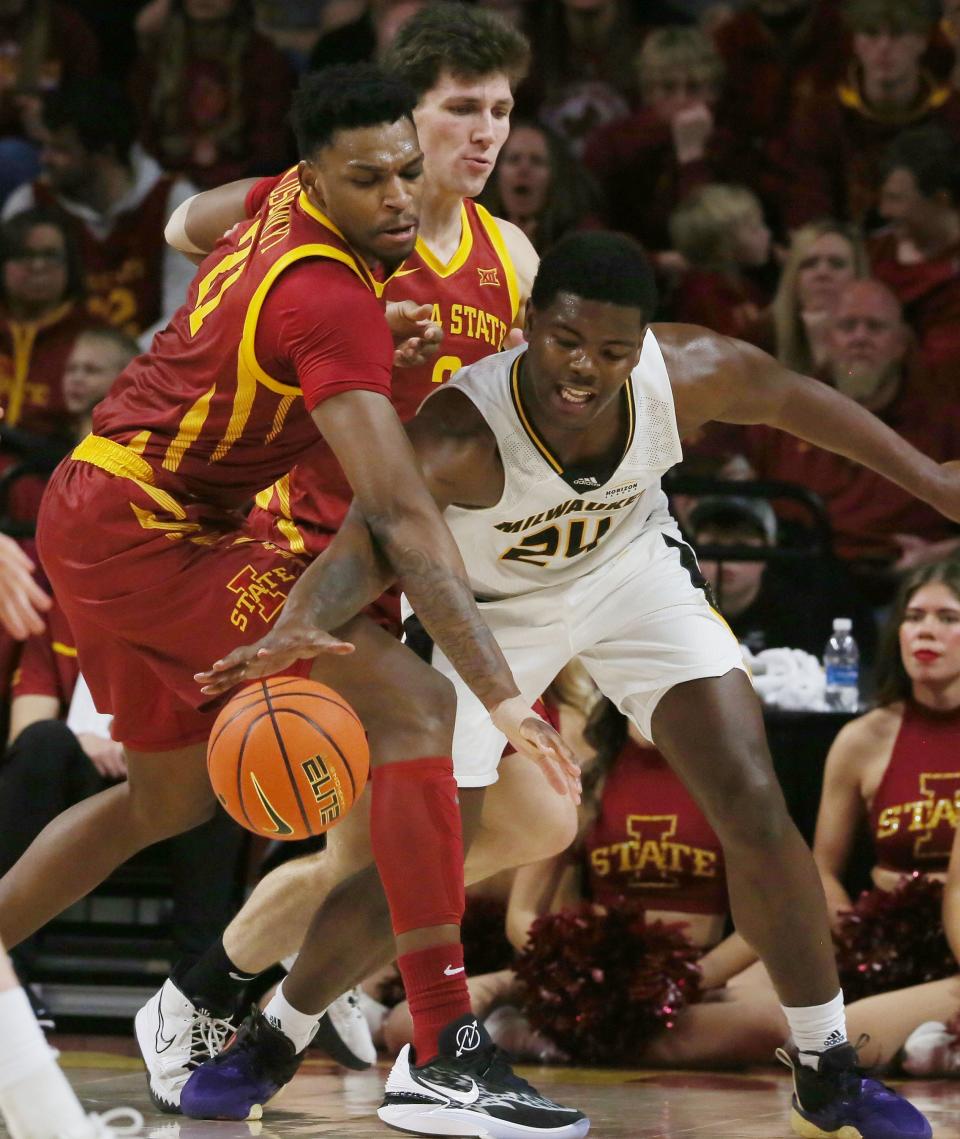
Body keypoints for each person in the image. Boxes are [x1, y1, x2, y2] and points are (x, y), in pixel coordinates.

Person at [186, 231, 953, 1138]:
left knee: (751, 794)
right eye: (567, 342)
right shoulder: (458, 432)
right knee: (436, 850)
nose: (586, 370)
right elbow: (365, 546)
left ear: (642, 347)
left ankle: (827, 1067)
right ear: (529, 324)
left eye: (613, 352)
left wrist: (934, 481)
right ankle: (279, 1031)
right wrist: (299, 622)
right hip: (484, 606)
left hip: (630, 572)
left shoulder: (690, 369)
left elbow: (796, 401)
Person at [0, 62, 581, 1137]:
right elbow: (402, 515)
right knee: (418, 704)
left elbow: (189, 224)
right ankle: (445, 1046)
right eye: (368, 181)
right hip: (148, 529)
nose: (399, 199)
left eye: (407, 171)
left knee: (166, 804)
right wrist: (500, 695)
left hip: (117, 505)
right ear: (317, 177)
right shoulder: (328, 297)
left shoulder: (281, 203)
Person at [0, 532, 142, 1139]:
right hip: (75, 769)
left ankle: (198, 996)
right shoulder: (58, 596)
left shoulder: (199, 591)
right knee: (43, 746)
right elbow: (28, 732)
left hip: (170, 772)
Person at [737, 278, 960, 574]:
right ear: (828, 340)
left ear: (901, 343)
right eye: (847, 326)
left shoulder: (944, 419)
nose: (860, 338)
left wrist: (944, 554)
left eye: (875, 327)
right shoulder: (784, 412)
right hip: (796, 578)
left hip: (903, 583)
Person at [2, 78, 197, 338]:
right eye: (45, 146)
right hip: (51, 363)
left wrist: (124, 366)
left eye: (60, 149)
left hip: (148, 368)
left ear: (105, 152)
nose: (44, 158)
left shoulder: (175, 203)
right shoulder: (29, 202)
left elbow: (186, 313)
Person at [785, 0, 960, 230]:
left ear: (922, 41)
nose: (884, 46)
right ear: (855, 42)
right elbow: (807, 201)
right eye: (870, 33)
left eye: (898, 33)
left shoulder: (951, 114)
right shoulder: (822, 116)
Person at [582, 26, 730, 265]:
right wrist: (654, 261)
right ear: (649, 91)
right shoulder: (613, 143)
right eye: (668, 88)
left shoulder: (726, 145)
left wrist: (692, 158)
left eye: (693, 88)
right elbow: (587, 221)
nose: (681, 100)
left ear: (712, 92)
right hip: (627, 269)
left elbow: (710, 236)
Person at [687, 494, 877, 664]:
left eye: (741, 546)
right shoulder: (675, 607)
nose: (727, 560)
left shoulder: (799, 613)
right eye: (713, 545)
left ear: (768, 553)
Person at [130, 0, 296, 190]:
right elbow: (141, 133)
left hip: (243, 188)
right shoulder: (156, 57)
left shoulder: (263, 58)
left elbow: (270, 143)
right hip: (164, 185)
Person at [870, 124, 960, 390]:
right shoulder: (871, 251)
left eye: (896, 199)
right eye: (884, 198)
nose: (884, 211)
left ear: (941, 200)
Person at [478, 118, 604, 253]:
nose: (523, 169)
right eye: (513, 159)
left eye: (537, 161)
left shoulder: (585, 240)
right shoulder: (469, 233)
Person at [762, 218, 868, 374]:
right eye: (809, 264)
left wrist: (822, 352)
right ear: (793, 278)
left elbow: (860, 393)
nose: (822, 273)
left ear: (858, 276)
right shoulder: (764, 334)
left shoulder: (883, 336)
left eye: (836, 263)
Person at [668, 182, 775, 336]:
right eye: (754, 228)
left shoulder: (744, 286)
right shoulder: (704, 296)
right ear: (724, 244)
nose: (767, 233)